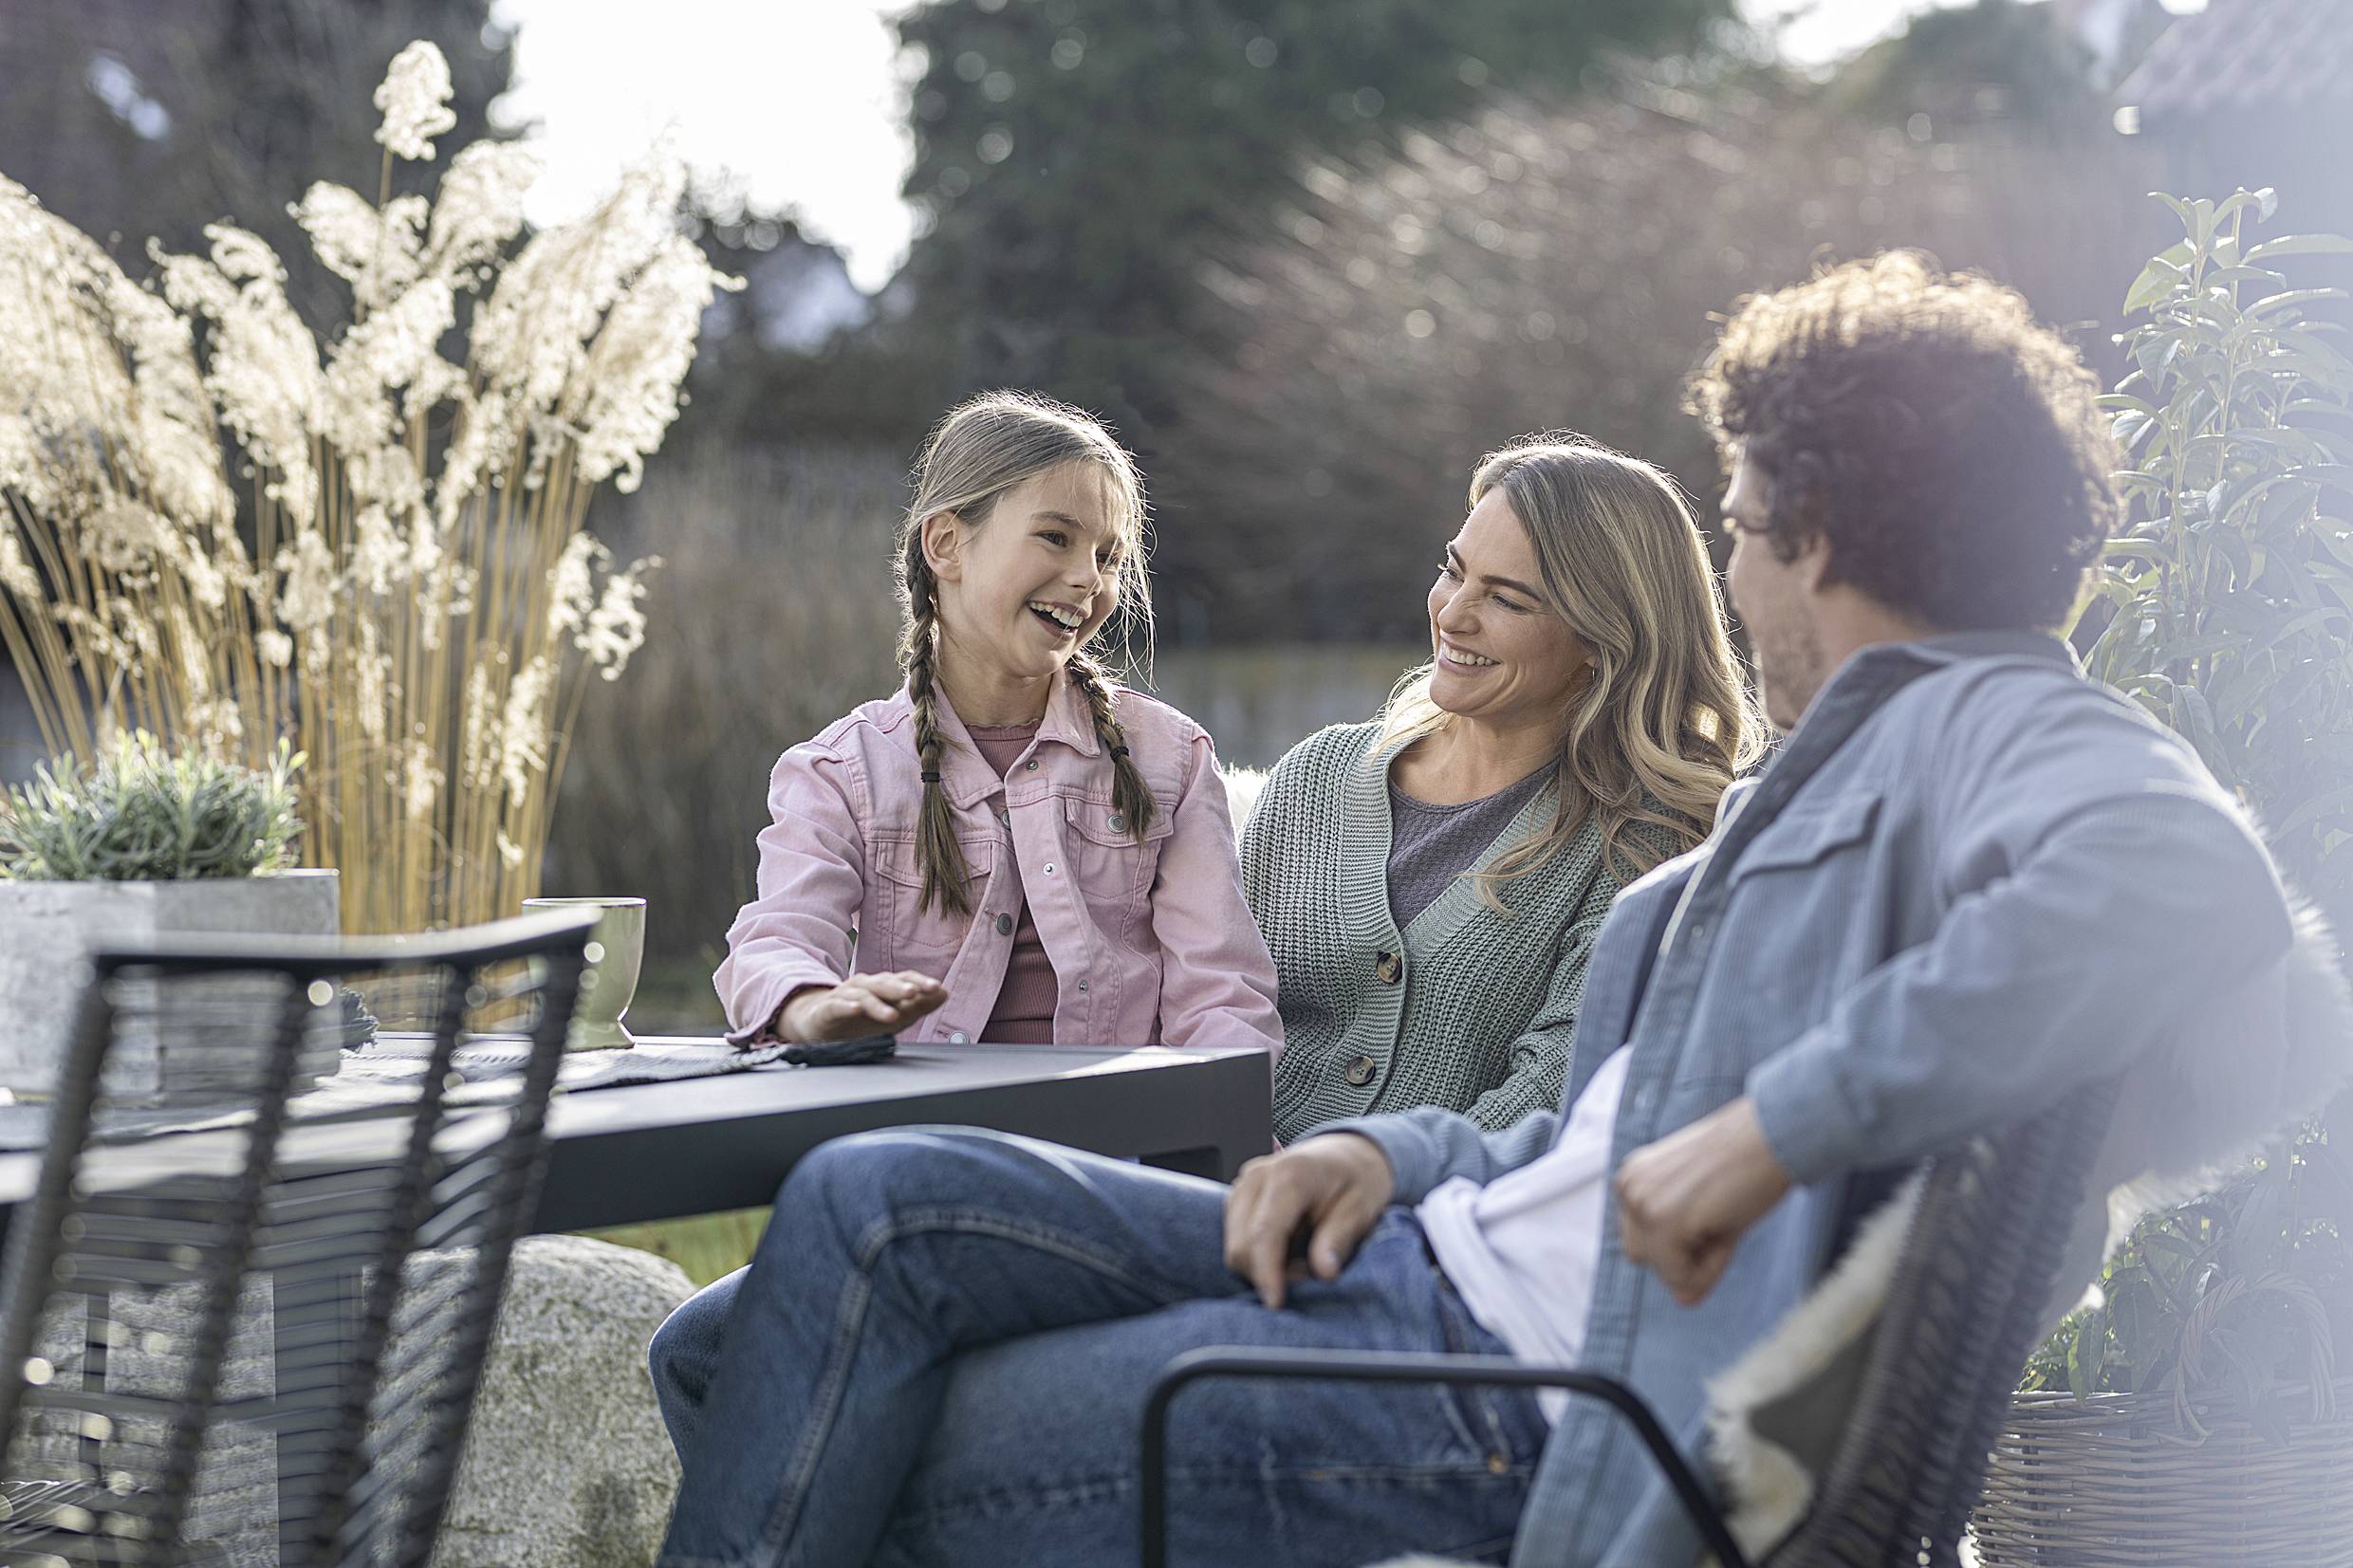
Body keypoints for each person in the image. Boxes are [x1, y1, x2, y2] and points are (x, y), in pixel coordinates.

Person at [648, 257, 2343, 1568]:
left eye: (1748, 529)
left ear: (1822, 537)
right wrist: (1401, 1155)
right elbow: (1587, 1145)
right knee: (862, 1219)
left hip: (1497, 1381)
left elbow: (2193, 899)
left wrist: (1774, 1131)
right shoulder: (1856, 770)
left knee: (824, 1394)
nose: (1739, 577)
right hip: (1426, 1250)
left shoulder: (1994, 722)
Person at [709, 389, 1280, 1055]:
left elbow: (1224, 999)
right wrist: (812, 1007)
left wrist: (1203, 1133)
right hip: (925, 1132)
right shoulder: (841, 774)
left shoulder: (1170, 759)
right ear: (946, 543)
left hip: (1124, 1136)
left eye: (1108, 557)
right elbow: (776, 942)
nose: (1086, 579)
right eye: (1056, 537)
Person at [1242, 436, 1755, 1143]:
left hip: (1421, 1223)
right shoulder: (1314, 779)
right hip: (1222, 1186)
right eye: (1453, 572)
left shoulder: (1643, 835)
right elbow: (1206, 1006)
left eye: (1507, 600)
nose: (1452, 615)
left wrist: (1359, 1182)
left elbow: (1558, 1084)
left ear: (1603, 639)